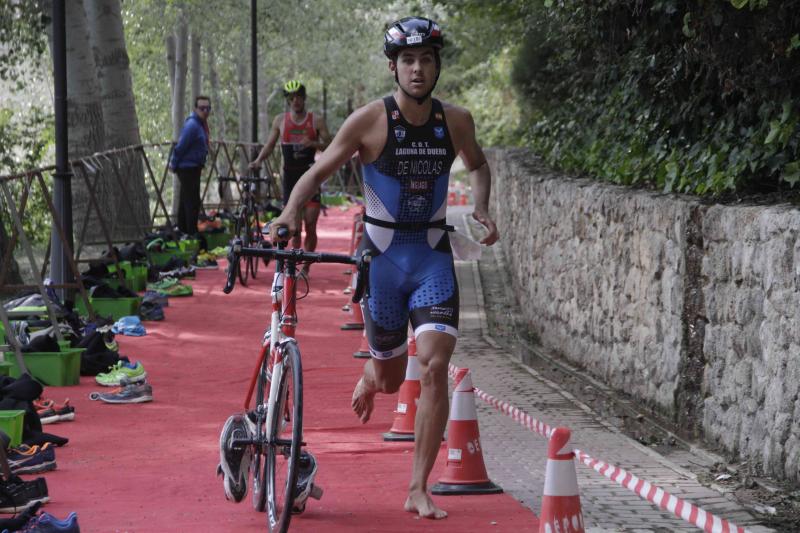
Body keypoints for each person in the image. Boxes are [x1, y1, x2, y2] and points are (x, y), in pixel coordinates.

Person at [269, 16, 499, 520]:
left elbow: (477, 164)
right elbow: (318, 169)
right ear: (394, 67)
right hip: (384, 261)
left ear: (437, 66)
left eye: (427, 60)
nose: (418, 70)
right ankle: (374, 377)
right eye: (408, 61)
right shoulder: (369, 121)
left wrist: (481, 205)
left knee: (436, 365)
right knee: (395, 379)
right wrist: (288, 213)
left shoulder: (455, 120)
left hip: (433, 255)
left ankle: (418, 487)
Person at [250, 80, 332, 252]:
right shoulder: (280, 120)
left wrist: (314, 143)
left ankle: (307, 265)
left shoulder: (316, 121)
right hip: (290, 179)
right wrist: (258, 160)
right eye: (292, 98)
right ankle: (294, 262)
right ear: (288, 100)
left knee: (310, 224)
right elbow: (270, 145)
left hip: (311, 177)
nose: (296, 101)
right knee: (293, 227)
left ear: (304, 98)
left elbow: (332, 146)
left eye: (299, 97)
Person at [170, 95, 211, 236]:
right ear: (195, 109)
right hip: (187, 168)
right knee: (192, 202)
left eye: (207, 108)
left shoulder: (200, 125)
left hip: (194, 167)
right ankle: (191, 233)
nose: (205, 111)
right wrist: (173, 163)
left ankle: (183, 230)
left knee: (186, 200)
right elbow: (181, 146)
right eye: (202, 108)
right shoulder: (192, 125)